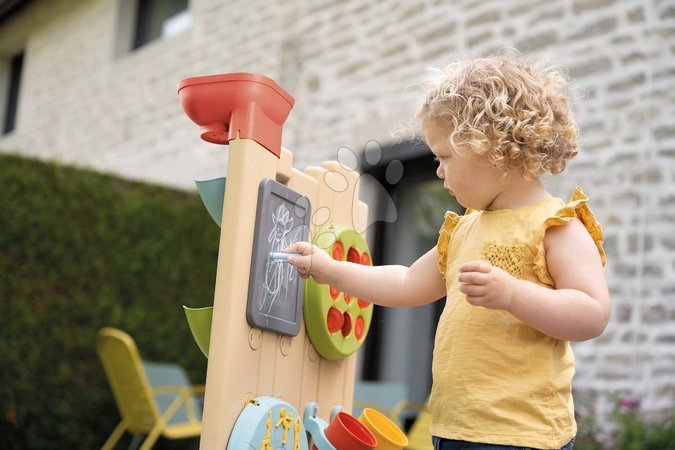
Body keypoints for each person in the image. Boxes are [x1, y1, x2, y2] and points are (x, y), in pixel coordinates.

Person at [285, 53, 609, 450]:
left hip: (522, 436)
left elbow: (592, 314)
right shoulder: (463, 230)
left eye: (445, 157)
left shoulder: (555, 225)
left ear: (496, 150)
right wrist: (329, 270)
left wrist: (513, 294)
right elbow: (405, 282)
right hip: (453, 429)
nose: (438, 171)